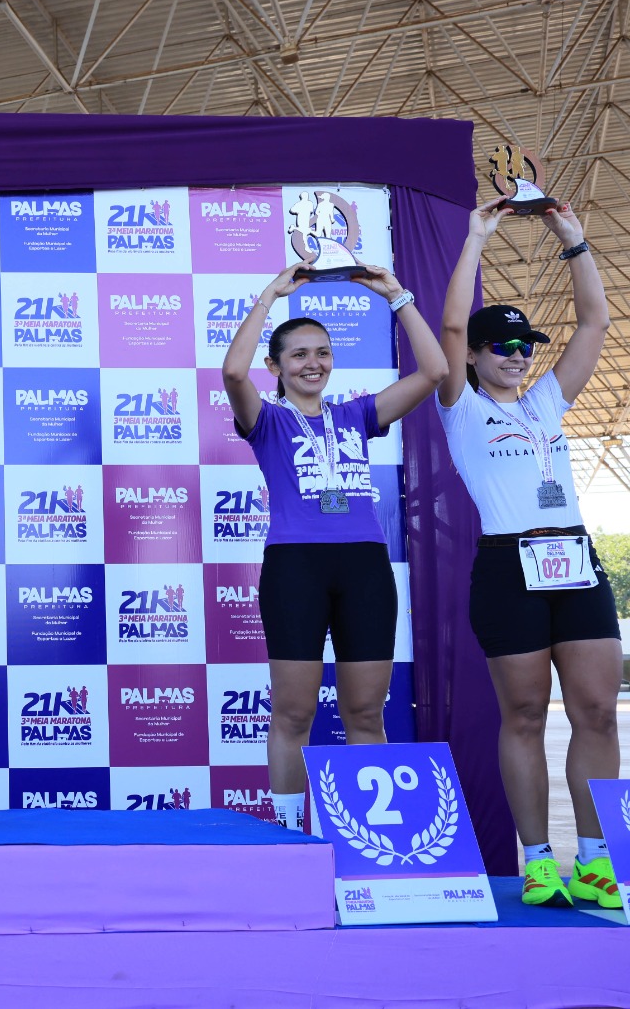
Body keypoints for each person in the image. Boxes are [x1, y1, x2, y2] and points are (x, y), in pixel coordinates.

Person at [437, 198, 620, 908]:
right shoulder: (460, 404)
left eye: (525, 349)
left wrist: (570, 235)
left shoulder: (546, 402)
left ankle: (599, 861)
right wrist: (478, 237)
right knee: (522, 716)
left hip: (575, 562)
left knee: (598, 710)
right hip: (508, 566)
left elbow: (595, 323)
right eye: (503, 349)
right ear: (476, 357)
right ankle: (539, 861)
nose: (518, 358)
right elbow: (451, 324)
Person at [221, 263, 448, 833]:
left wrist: (398, 295)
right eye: (298, 355)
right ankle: (283, 834)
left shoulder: (356, 415)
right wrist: (271, 293)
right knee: (293, 712)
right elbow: (231, 372)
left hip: (364, 566)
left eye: (322, 352)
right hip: (296, 567)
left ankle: (374, 839)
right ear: (276, 367)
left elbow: (436, 371)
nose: (313, 363)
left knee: (365, 711)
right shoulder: (267, 422)